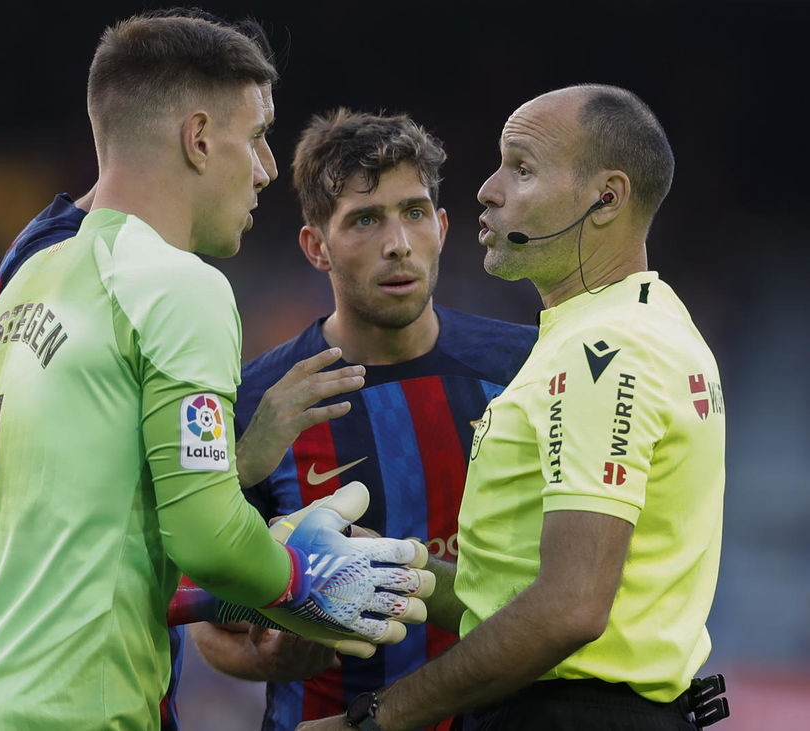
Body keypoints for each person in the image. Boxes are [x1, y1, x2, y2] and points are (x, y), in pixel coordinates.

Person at [0, 13, 428, 731]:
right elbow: (205, 536)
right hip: (63, 714)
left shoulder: (21, 284)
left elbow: (82, 548)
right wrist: (302, 579)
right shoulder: (177, 284)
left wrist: (243, 582)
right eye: (258, 135)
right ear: (200, 138)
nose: (268, 168)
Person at [299, 85, 726, 730]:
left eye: (521, 168)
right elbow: (516, 593)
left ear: (605, 198)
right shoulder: (643, 322)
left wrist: (372, 721)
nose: (487, 190)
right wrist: (392, 564)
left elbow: (571, 608)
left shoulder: (601, 349)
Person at [186, 109, 537, 731]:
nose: (397, 242)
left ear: (443, 226)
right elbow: (212, 618)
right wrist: (272, 654)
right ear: (316, 246)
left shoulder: (528, 368)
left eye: (414, 212)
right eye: (365, 220)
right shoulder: (255, 403)